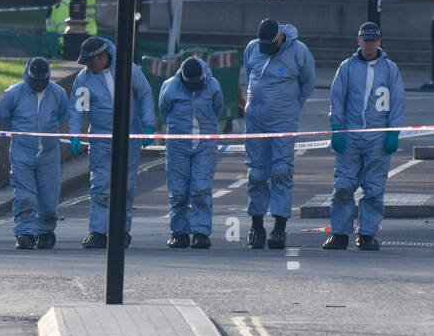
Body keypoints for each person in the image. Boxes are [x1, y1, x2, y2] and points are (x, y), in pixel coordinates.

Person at [69, 35, 155, 249]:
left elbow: (144, 95)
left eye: (90, 60)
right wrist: (75, 135)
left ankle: (122, 231)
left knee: (125, 186)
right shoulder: (84, 78)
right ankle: (97, 231)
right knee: (100, 186)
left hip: (130, 136)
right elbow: (77, 110)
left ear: (102, 56)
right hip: (101, 138)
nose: (88, 65)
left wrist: (148, 125)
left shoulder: (129, 70)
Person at [325, 22, 405, 251]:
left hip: (378, 137)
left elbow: (397, 103)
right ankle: (339, 233)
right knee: (343, 185)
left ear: (379, 42)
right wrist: (337, 128)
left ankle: (367, 234)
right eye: (366, 40)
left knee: (374, 188)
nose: (370, 44)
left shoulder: (390, 70)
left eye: (374, 40)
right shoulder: (347, 67)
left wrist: (393, 133)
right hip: (350, 135)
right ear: (358, 41)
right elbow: (337, 99)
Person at [241, 18, 315, 249]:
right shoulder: (253, 48)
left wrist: (290, 107)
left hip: (283, 120)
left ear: (280, 37)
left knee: (281, 171)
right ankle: (256, 224)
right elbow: (248, 75)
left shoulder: (299, 51)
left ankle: (280, 227)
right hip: (255, 121)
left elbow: (308, 83)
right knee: (256, 173)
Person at [0, 56, 69, 250]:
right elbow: (4, 115)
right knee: (25, 196)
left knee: (49, 197)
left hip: (49, 152)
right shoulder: (14, 93)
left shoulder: (58, 94)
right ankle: (24, 232)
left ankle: (45, 231)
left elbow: (63, 115)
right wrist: (20, 135)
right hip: (22, 151)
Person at [158, 56, 224, 249]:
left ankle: (201, 232)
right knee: (178, 190)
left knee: (201, 188)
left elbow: (218, 109)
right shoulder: (169, 87)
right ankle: (179, 232)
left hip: (205, 144)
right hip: (178, 145)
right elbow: (163, 111)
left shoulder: (213, 86)